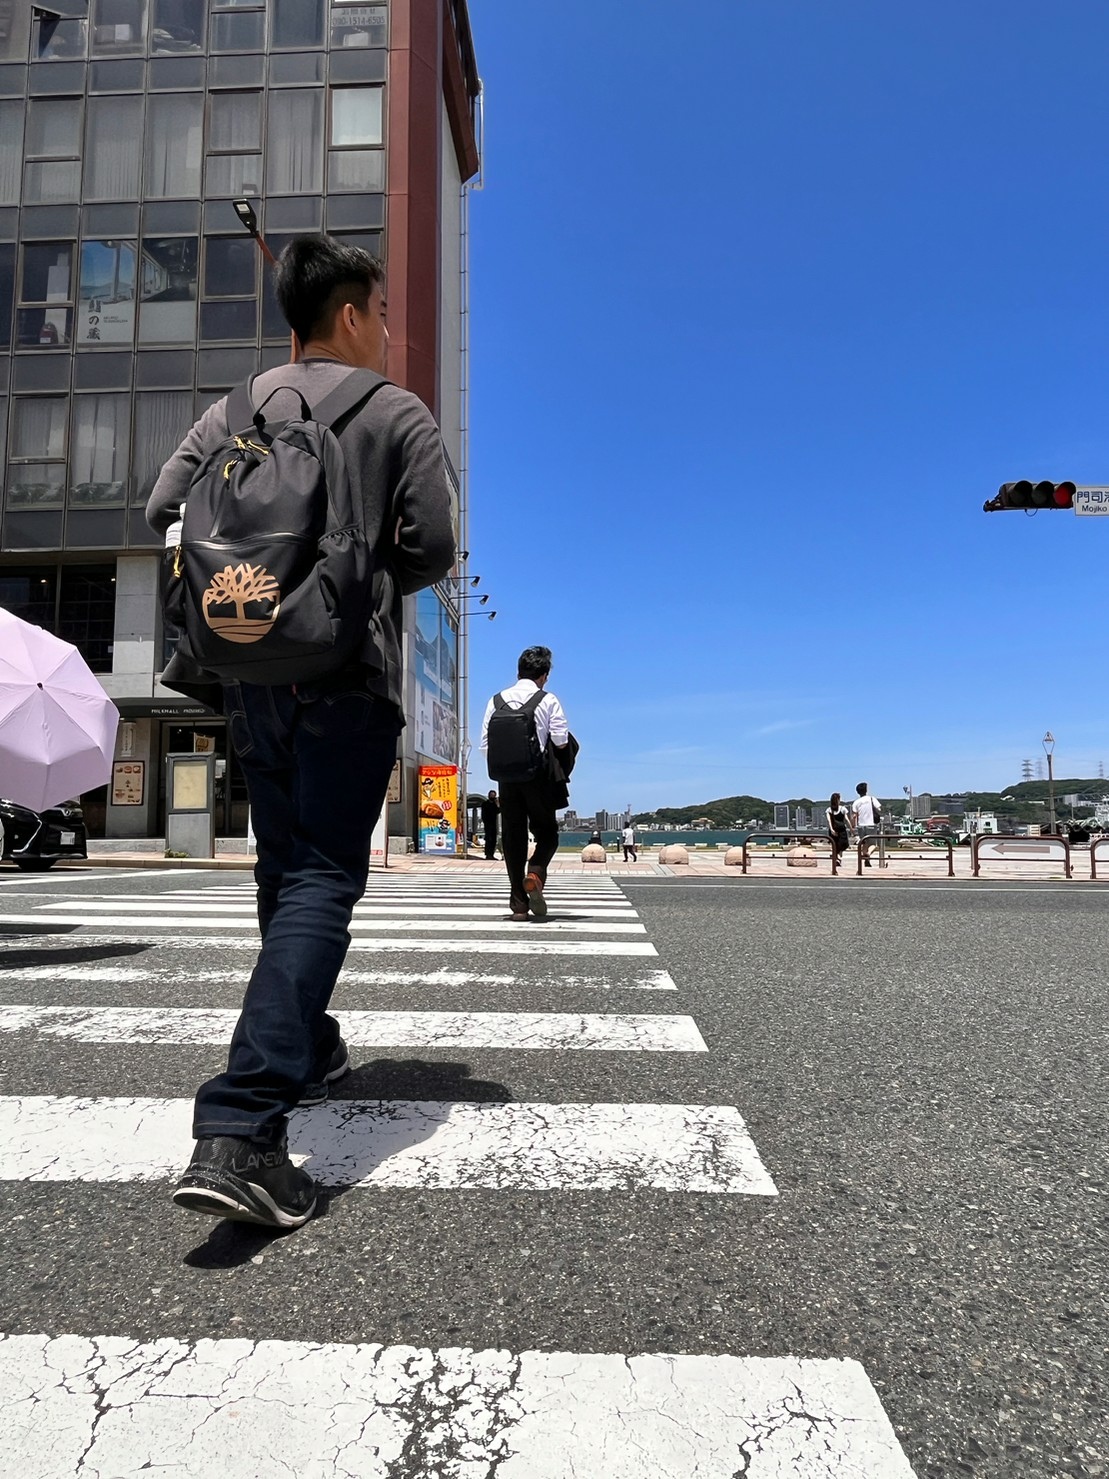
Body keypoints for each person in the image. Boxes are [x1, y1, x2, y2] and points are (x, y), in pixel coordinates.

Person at [146, 235, 455, 1230]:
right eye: (382, 310)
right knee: (323, 875)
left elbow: (160, 509)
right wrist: (343, 589)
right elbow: (433, 547)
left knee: (282, 871)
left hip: (247, 681)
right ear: (355, 311)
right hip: (342, 678)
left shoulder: (230, 410)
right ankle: (242, 1129)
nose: (386, 329)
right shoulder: (393, 412)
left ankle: (308, 1038)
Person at [481, 646, 570, 920]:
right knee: (547, 834)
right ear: (544, 675)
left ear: (518, 671)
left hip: (506, 780)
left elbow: (486, 745)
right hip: (537, 779)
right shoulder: (548, 699)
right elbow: (561, 740)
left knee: (513, 838)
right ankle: (536, 872)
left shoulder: (496, 700)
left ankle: (518, 905)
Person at [851, 781, 882, 868]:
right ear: (866, 790)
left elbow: (854, 815)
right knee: (873, 844)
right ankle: (868, 854)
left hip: (861, 825)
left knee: (864, 843)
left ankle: (866, 860)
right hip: (871, 824)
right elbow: (879, 808)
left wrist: (852, 827)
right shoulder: (871, 799)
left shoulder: (856, 802)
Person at [826, 792, 850, 865]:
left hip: (833, 830)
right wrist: (851, 828)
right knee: (842, 845)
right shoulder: (843, 809)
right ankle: (839, 858)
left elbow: (829, 821)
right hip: (842, 829)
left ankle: (837, 858)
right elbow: (846, 820)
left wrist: (832, 829)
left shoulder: (829, 810)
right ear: (838, 800)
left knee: (835, 845)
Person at [481, 790, 500, 860]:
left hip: (494, 824)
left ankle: (492, 854)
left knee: (494, 840)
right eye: (491, 795)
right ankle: (488, 854)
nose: (492, 796)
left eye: (494, 795)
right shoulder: (485, 804)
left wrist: (497, 804)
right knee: (488, 839)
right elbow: (483, 815)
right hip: (488, 824)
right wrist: (485, 822)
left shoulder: (494, 804)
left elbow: (498, 811)